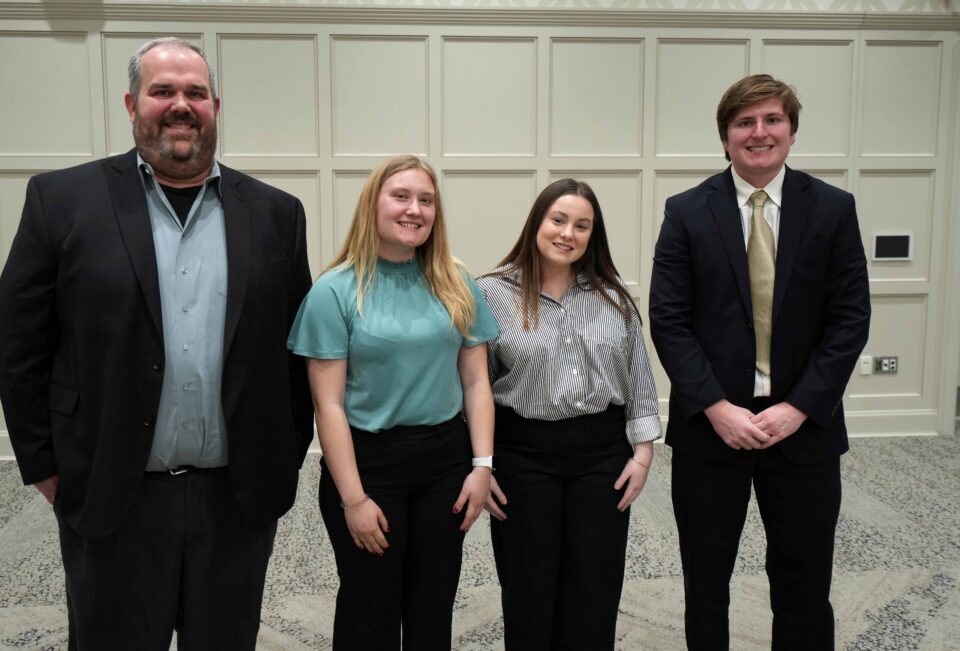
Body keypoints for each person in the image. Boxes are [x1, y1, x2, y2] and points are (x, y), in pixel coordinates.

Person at [0, 37, 314, 649]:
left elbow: (297, 350)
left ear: (216, 104)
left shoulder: (276, 213)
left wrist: (283, 453)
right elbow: (18, 341)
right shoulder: (61, 201)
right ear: (131, 103)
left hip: (236, 496)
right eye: (162, 90)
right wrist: (44, 461)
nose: (180, 104)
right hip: (114, 487)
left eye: (195, 92)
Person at [649, 74, 871, 650]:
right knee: (706, 581)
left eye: (772, 120)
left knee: (804, 582)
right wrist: (717, 407)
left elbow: (849, 320)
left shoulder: (832, 209)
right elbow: (669, 321)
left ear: (792, 132)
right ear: (725, 137)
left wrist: (799, 407)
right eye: (744, 122)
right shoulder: (686, 212)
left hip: (803, 430)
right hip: (711, 429)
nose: (759, 133)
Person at [287, 155, 498, 651]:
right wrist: (353, 500)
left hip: (444, 462)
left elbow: (476, 383)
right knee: (370, 607)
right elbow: (329, 406)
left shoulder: (456, 282)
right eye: (400, 196)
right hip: (367, 464)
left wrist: (482, 466)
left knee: (433, 605)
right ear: (373, 205)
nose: (414, 210)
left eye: (426, 200)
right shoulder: (335, 291)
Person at [478, 178, 662, 650]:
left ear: (592, 235)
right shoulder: (491, 293)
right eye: (558, 220)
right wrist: (480, 465)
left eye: (582, 225)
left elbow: (639, 383)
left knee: (594, 585)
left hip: (601, 457)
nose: (568, 233)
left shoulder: (614, 297)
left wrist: (641, 457)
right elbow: (473, 387)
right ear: (537, 223)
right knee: (528, 584)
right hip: (522, 456)